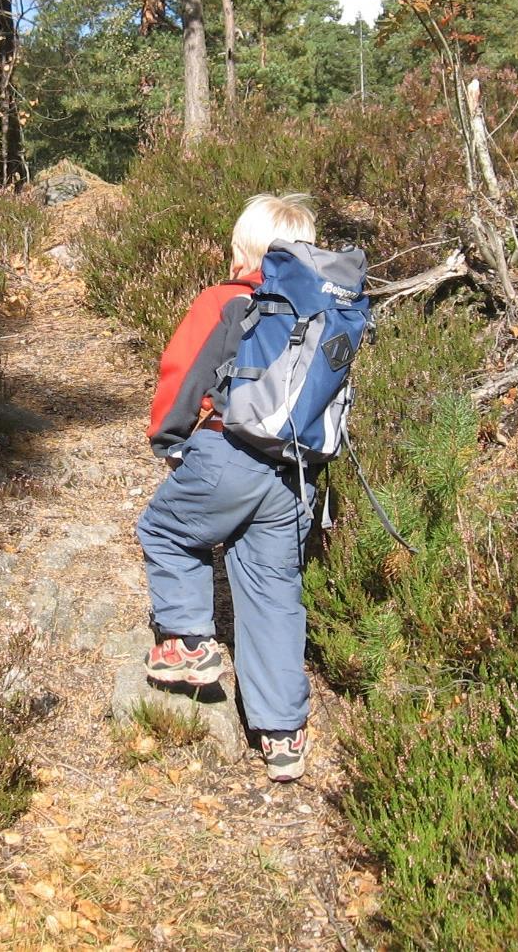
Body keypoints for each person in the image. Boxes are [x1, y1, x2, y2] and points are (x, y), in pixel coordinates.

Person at [136, 193, 318, 782]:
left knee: (164, 529)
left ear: (243, 250)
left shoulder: (226, 301)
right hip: (294, 474)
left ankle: (189, 643)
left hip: (228, 452)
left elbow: (182, 374)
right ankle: (282, 732)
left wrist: (167, 439)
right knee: (272, 591)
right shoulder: (316, 313)